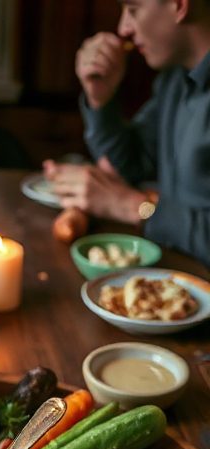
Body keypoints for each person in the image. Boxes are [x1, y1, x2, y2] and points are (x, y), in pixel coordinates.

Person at [44, 0, 210, 265]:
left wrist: (133, 207)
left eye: (133, 10)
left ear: (180, 6)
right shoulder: (176, 79)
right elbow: (132, 163)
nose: (124, 29)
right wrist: (100, 99)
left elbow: (127, 200)